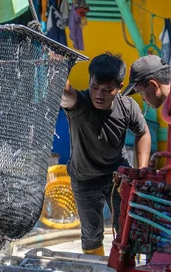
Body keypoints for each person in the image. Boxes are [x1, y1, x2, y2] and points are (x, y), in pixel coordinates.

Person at [61, 52, 151, 256]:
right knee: (92, 235)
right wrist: (56, 65)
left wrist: (141, 170)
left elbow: (143, 132)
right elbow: (66, 93)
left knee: (128, 231)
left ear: (120, 88)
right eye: (95, 87)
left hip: (118, 178)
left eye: (107, 90)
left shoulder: (128, 106)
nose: (99, 95)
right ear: (89, 81)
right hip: (85, 180)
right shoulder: (79, 104)